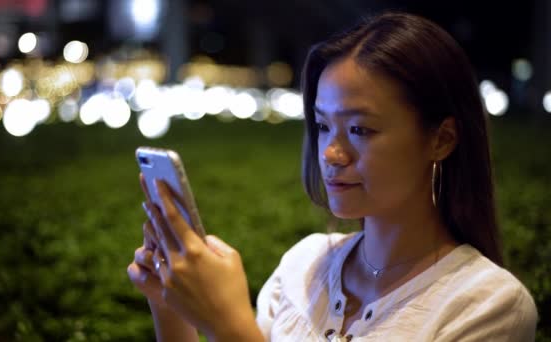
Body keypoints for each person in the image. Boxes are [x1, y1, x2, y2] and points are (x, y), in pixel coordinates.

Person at [127, 12, 538, 341]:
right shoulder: (305, 264)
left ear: (442, 139)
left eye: (360, 129)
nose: (330, 153)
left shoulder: (487, 306)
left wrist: (227, 325)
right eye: (323, 126)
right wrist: (171, 305)